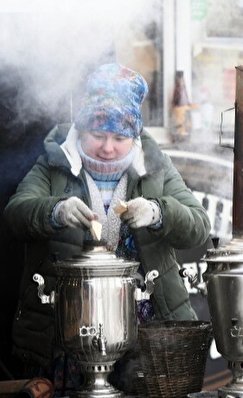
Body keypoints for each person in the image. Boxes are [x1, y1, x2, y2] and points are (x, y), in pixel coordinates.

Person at [3, 63, 211, 394]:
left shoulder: (155, 168)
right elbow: (15, 215)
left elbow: (199, 226)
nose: (108, 147)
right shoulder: (54, 163)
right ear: (81, 128)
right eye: (98, 135)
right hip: (68, 330)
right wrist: (55, 210)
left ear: (135, 136)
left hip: (146, 330)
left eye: (120, 137)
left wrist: (159, 212)